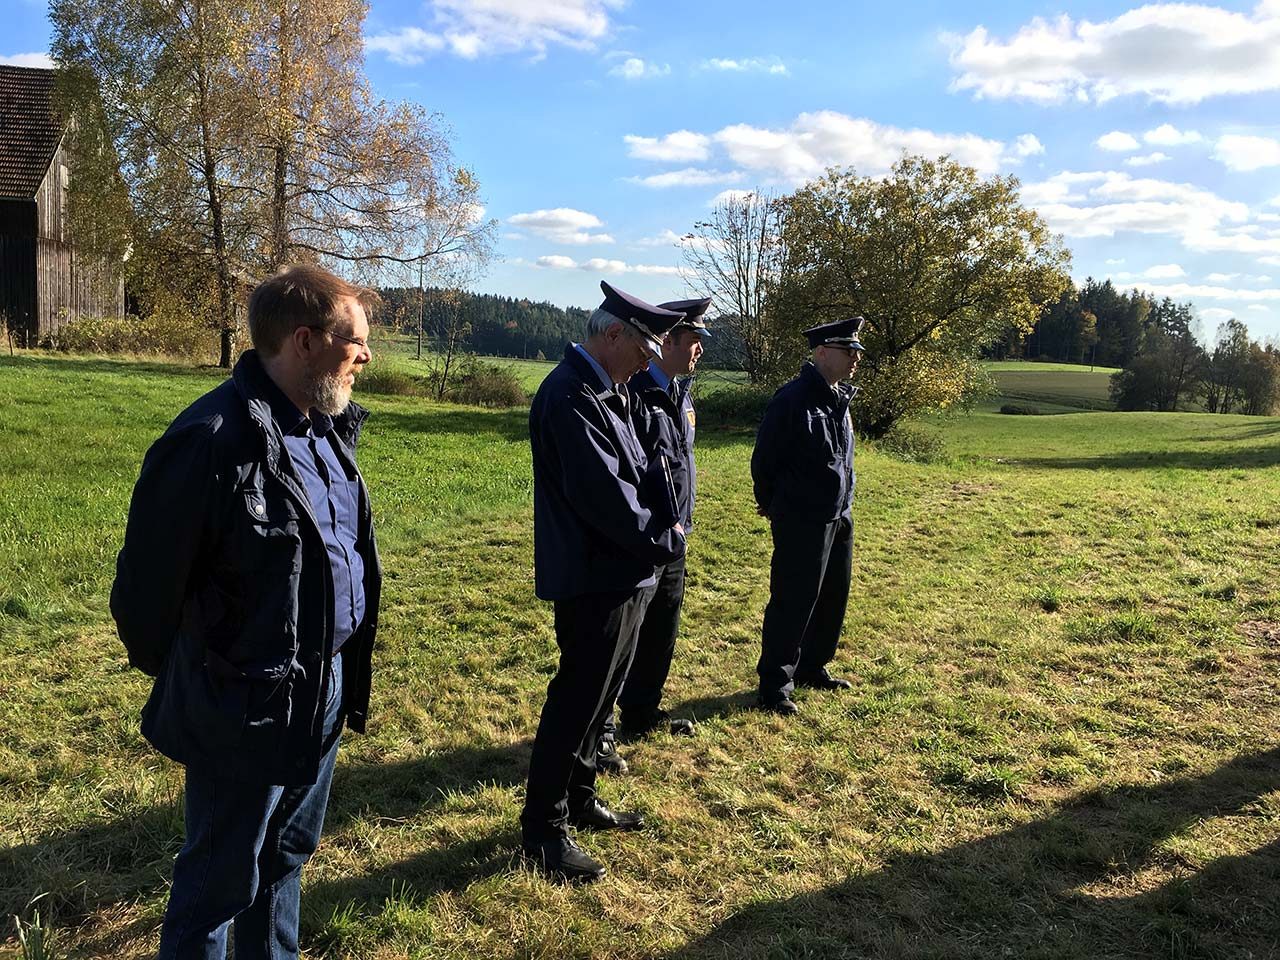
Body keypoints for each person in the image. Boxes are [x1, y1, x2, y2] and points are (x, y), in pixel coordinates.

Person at [110, 264, 382, 959]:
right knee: (219, 879)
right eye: (354, 341)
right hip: (245, 701)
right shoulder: (212, 440)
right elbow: (145, 592)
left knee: (286, 855)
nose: (365, 356)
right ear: (304, 341)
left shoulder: (324, 426)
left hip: (323, 685)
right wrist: (210, 678)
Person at [522, 280, 687, 882]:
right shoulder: (570, 396)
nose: (649, 359)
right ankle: (544, 829)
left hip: (628, 573)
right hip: (596, 577)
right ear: (612, 333)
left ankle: (582, 797)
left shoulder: (607, 391)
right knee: (576, 703)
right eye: (645, 346)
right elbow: (609, 500)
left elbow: (650, 472)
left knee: (602, 700)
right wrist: (668, 538)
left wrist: (662, 531)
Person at [596, 297, 711, 772]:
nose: (699, 350)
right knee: (621, 642)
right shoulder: (635, 392)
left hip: (674, 538)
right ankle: (599, 733)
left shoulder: (679, 393)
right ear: (665, 342)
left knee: (662, 629)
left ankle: (642, 712)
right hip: (643, 540)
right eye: (693, 340)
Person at [750, 317, 865, 716]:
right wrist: (774, 504)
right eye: (846, 351)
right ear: (820, 353)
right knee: (793, 601)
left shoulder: (840, 398)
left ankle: (813, 666)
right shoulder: (793, 400)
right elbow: (765, 460)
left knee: (833, 596)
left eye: (856, 352)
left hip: (839, 515)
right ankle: (775, 685)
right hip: (802, 519)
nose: (854, 358)